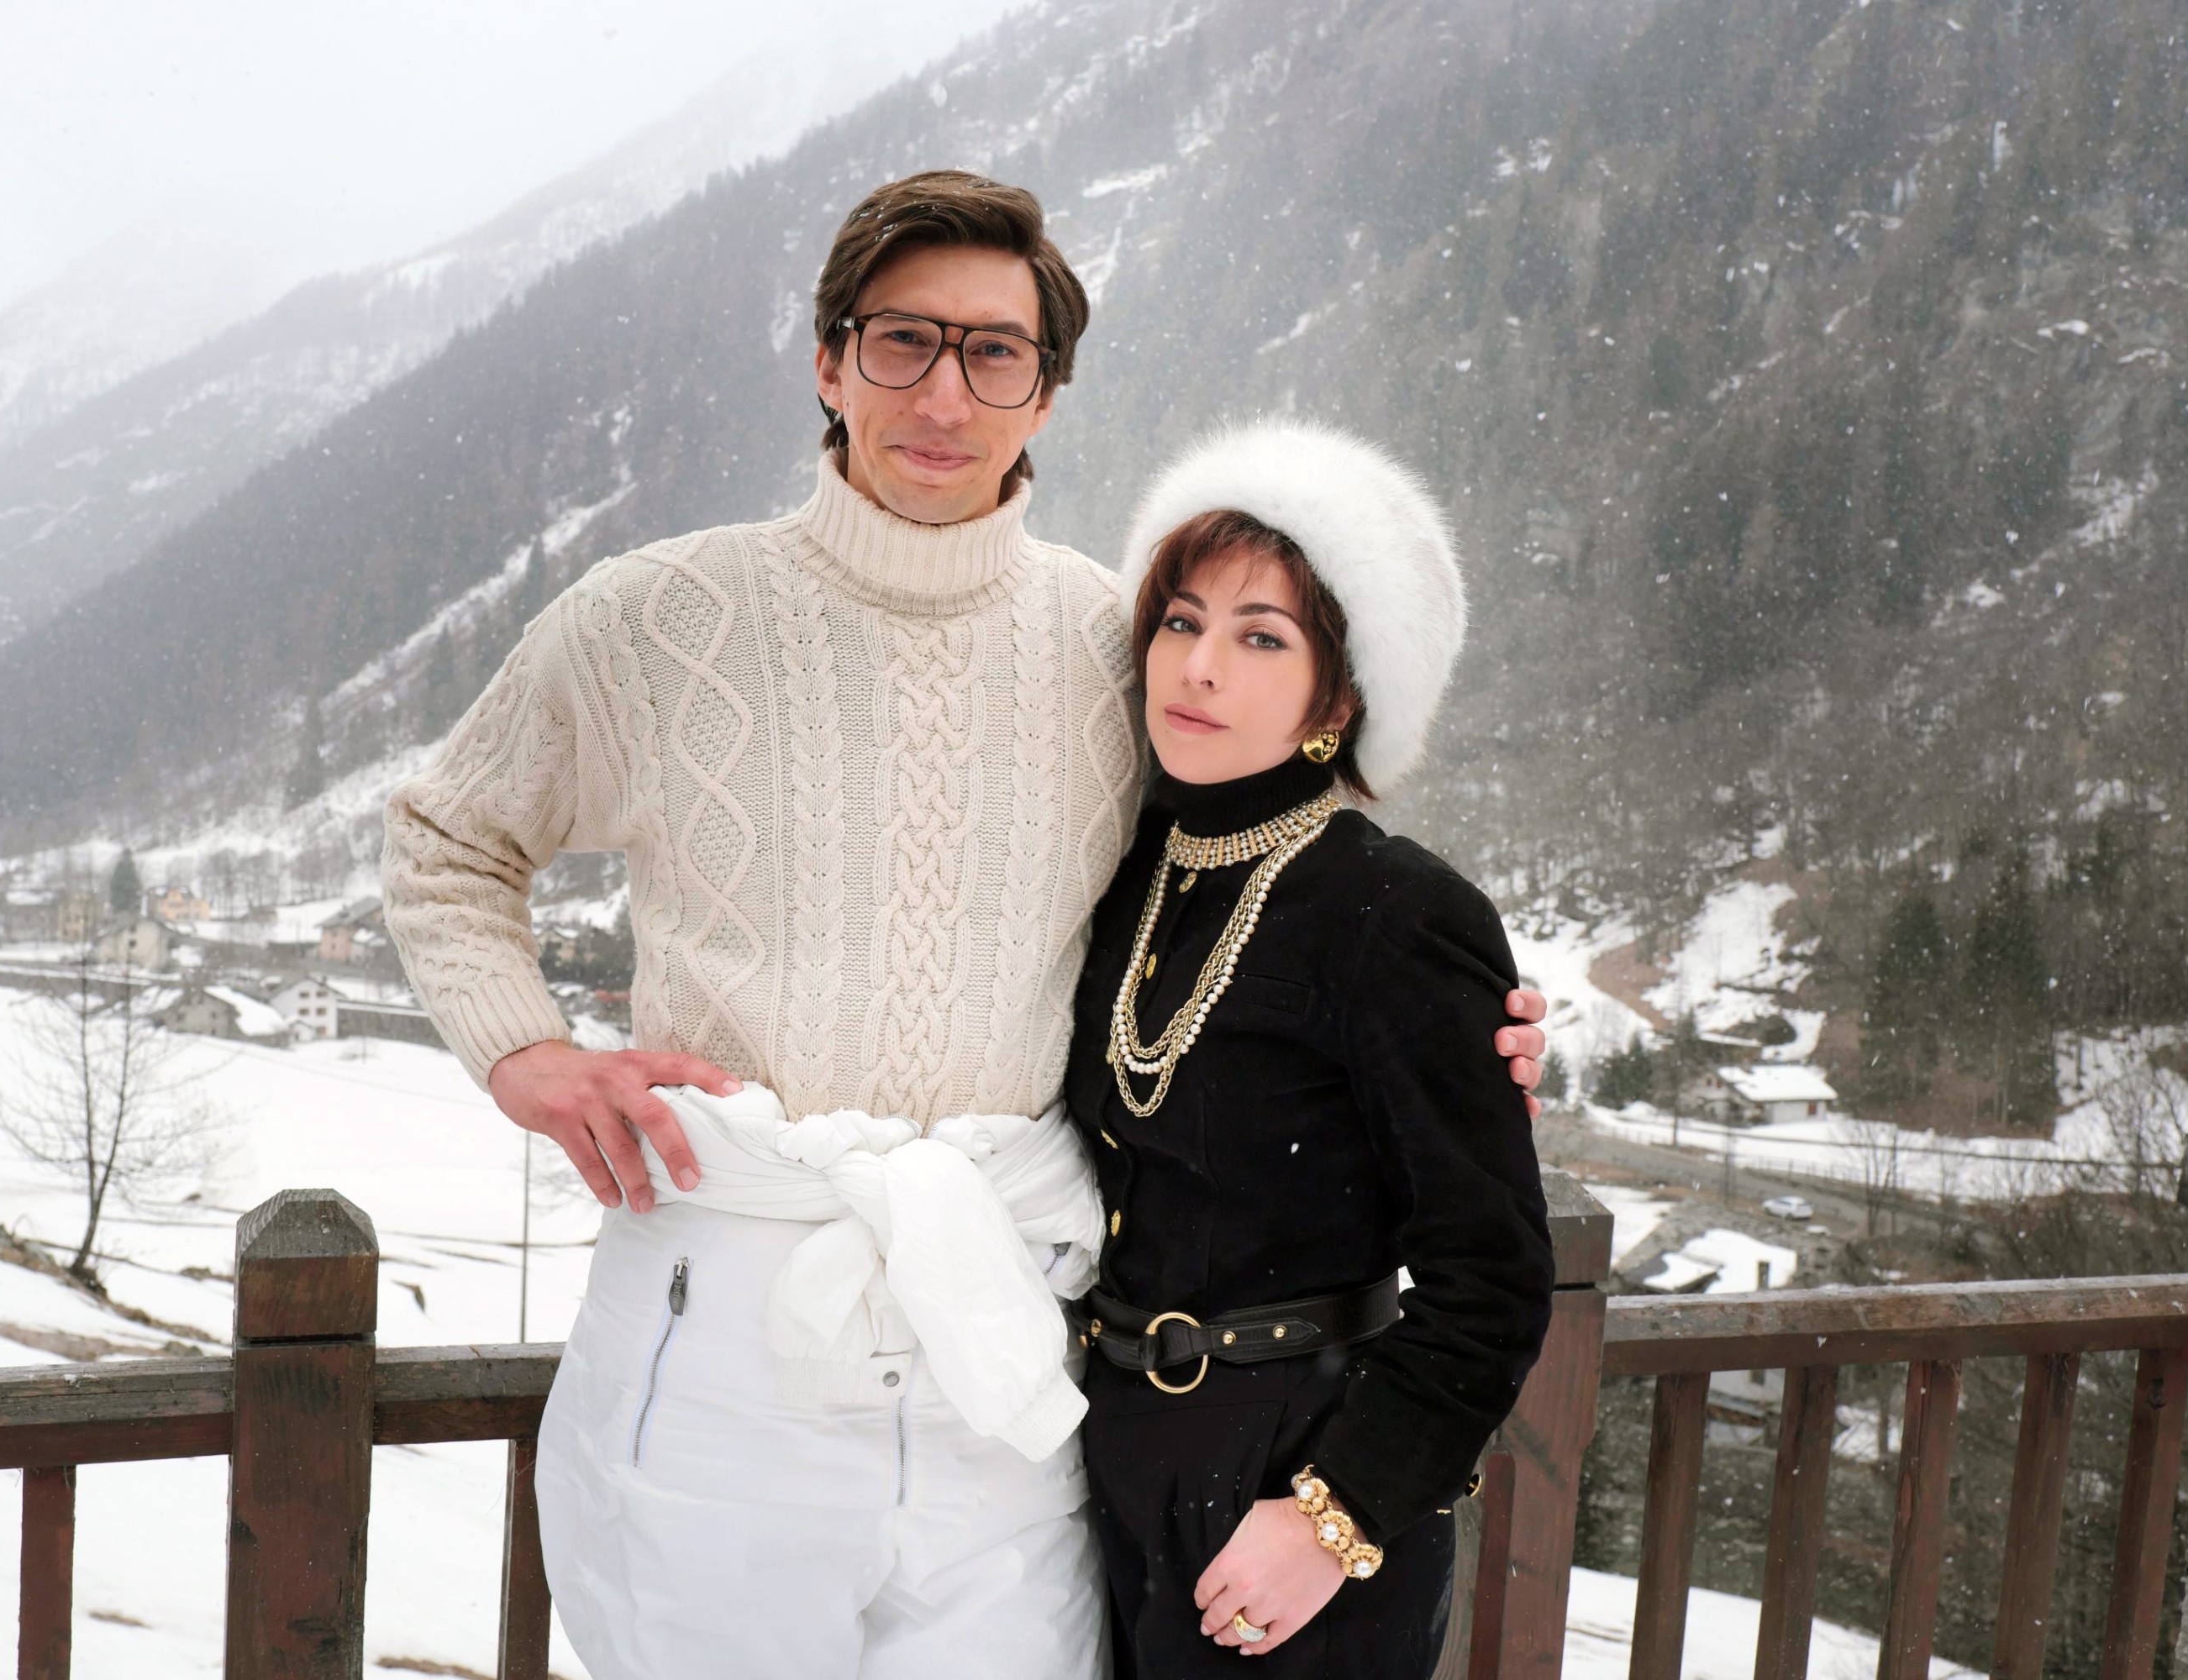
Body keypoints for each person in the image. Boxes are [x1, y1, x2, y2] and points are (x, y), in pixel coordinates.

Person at [382, 171, 1550, 1680]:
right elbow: (450, 836)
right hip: (733, 1301)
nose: (945, 393)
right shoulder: (655, 617)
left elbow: (1262, 874)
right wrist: (524, 1053)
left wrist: (1473, 1032)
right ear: (829, 362)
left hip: (1007, 1342)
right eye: (902, 340)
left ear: (1045, 394)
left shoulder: (1112, 645)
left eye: (994, 352)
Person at [1066, 420, 1555, 1677]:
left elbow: (1493, 1278)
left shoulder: (1398, 912)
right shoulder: (1123, 872)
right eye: (1182, 621)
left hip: (1296, 1480)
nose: (1200, 667)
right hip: (1111, 1463)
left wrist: (1337, 1514)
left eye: (1261, 637)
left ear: (1337, 699)